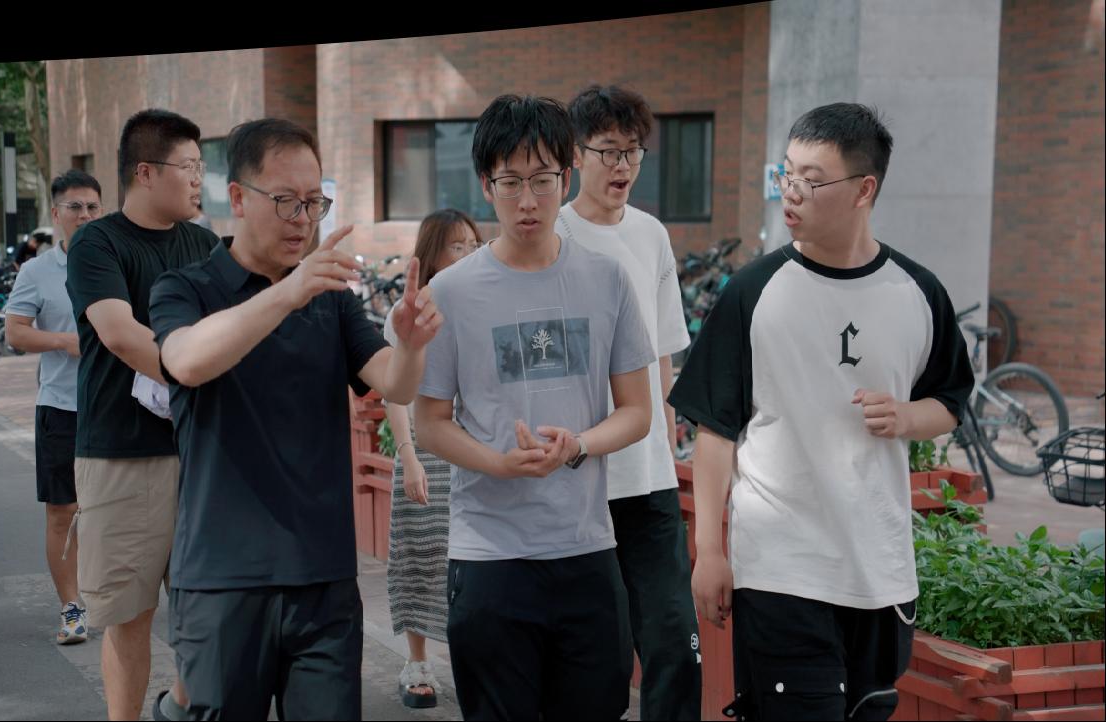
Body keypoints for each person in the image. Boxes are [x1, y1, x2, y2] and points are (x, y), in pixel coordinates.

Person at [670, 102, 975, 721]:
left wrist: (906, 418)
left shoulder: (918, 292)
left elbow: (949, 401)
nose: (792, 192)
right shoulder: (752, 292)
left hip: (880, 574)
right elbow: (715, 432)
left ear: (865, 190)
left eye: (812, 179)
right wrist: (710, 552)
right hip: (781, 569)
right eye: (787, 173)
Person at [148, 117, 443, 720]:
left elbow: (394, 382)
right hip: (222, 577)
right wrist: (289, 292)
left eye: (314, 202)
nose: (304, 220)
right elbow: (186, 362)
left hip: (323, 578)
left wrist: (412, 345)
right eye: (286, 201)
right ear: (237, 197)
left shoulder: (331, 298)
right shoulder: (186, 287)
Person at [414, 94, 655, 721]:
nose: (528, 201)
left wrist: (579, 445)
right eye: (511, 182)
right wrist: (497, 463)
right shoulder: (451, 291)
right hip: (490, 556)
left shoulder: (607, 278)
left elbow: (637, 411)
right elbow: (429, 423)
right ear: (486, 184)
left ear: (566, 178)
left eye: (543, 180)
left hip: (586, 548)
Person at [65, 108, 218, 722]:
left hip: (202, 452)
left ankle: (179, 706)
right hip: (122, 456)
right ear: (146, 172)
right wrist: (196, 374)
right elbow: (120, 334)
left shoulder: (205, 245)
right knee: (129, 617)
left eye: (203, 167)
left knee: (211, 609)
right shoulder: (97, 243)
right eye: (190, 166)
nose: (200, 179)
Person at [557, 83, 702, 721]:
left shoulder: (650, 235)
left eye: (633, 152)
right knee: (599, 655)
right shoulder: (553, 233)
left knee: (674, 642)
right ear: (576, 155)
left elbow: (662, 353)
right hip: (579, 479)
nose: (623, 166)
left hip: (649, 478)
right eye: (609, 151)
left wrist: (667, 446)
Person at [383, 208, 481, 709]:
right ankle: (417, 661)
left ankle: (473, 660)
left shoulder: (485, 301)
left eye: (472, 245)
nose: (466, 254)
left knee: (470, 560)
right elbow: (394, 392)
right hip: (424, 450)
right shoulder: (409, 308)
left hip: (472, 451)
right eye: (456, 246)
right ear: (433, 253)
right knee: (419, 554)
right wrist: (408, 456)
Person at [4, 169, 103, 646]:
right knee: (64, 511)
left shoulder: (117, 260)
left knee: (124, 509)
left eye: (92, 207)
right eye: (74, 207)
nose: (84, 215)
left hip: (118, 407)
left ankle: (122, 598)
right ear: (56, 213)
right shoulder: (36, 271)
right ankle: (72, 608)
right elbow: (16, 332)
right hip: (61, 407)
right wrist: (64, 341)